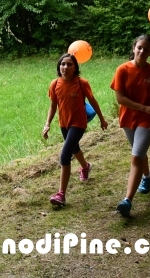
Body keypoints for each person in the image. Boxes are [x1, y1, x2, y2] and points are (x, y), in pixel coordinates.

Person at [110, 35, 150, 217]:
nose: (142, 51)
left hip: (147, 119)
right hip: (128, 117)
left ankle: (127, 201)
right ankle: (148, 177)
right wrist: (144, 107)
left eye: (146, 49)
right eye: (139, 47)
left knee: (135, 157)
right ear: (134, 47)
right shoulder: (122, 70)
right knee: (139, 152)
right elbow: (120, 98)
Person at [43, 53, 108, 206]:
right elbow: (53, 106)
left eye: (69, 64)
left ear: (75, 68)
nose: (65, 67)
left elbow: (93, 101)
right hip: (63, 124)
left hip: (79, 123)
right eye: (63, 64)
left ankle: (61, 194)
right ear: (59, 67)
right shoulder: (54, 84)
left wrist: (102, 119)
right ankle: (85, 167)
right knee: (74, 148)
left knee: (65, 155)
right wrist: (47, 124)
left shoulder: (81, 83)